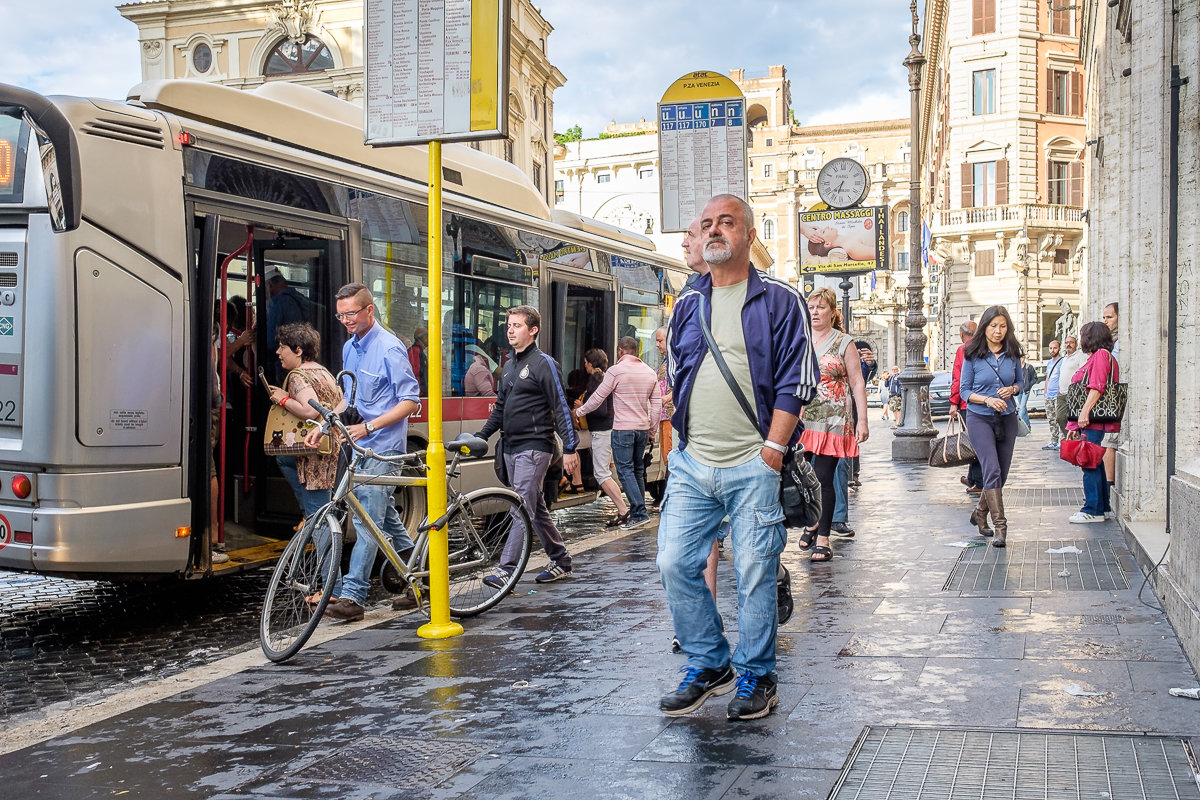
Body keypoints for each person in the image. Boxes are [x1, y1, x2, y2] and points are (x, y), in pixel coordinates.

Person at [656, 193, 818, 722]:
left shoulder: (778, 299)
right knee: (675, 561)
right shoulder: (688, 302)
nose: (714, 231)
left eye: (727, 222)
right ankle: (709, 664)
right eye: (706, 224)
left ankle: (757, 674)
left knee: (754, 569)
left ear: (750, 234)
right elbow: (679, 371)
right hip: (692, 461)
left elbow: (798, 379)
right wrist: (679, 440)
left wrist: (773, 450)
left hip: (755, 460)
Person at [310, 283, 421, 622]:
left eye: (351, 314)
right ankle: (422, 579)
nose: (346, 320)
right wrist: (325, 424)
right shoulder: (350, 348)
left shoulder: (390, 348)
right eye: (341, 315)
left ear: (369, 310)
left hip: (384, 450)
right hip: (359, 448)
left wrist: (370, 427)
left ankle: (354, 597)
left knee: (367, 522)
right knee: (385, 518)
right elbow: (351, 400)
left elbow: (410, 401)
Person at [476, 305, 580, 584]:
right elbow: (500, 408)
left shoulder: (543, 363)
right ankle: (561, 559)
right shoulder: (509, 366)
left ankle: (506, 570)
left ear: (533, 330)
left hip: (535, 447)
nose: (510, 330)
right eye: (509, 325)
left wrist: (571, 447)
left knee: (520, 504)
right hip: (510, 447)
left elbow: (560, 405)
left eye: (517, 325)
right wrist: (481, 436)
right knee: (534, 506)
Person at [797, 288, 869, 562]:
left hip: (833, 419)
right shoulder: (800, 339)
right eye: (811, 307)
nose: (815, 312)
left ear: (832, 312)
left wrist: (862, 420)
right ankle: (812, 521)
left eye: (820, 307)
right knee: (802, 475)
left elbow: (857, 382)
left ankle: (824, 537)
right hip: (803, 418)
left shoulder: (844, 342)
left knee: (823, 478)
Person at [575, 336, 661, 529]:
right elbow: (656, 406)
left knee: (624, 471)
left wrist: (579, 411)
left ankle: (638, 513)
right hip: (642, 429)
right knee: (637, 470)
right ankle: (641, 512)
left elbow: (598, 398)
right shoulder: (650, 372)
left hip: (623, 429)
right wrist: (652, 429)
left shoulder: (615, 371)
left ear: (620, 351)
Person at [960, 306, 1024, 548]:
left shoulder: (1013, 353)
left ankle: (979, 512)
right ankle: (1001, 527)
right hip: (980, 417)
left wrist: (1013, 390)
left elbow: (1020, 382)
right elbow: (965, 391)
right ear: (985, 327)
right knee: (991, 470)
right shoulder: (972, 355)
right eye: (993, 326)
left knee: (1002, 473)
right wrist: (987, 399)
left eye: (1002, 326)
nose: (998, 331)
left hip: (1006, 417)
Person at [266, 322, 343, 522]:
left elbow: (309, 408)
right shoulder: (324, 372)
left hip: (313, 452)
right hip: (330, 447)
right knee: (283, 458)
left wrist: (283, 399)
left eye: (282, 347)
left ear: (298, 350)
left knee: (318, 518)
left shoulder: (297, 377)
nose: (278, 352)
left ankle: (324, 552)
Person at [1065, 321, 1121, 523]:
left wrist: (1084, 414)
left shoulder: (1100, 356)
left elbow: (1096, 386)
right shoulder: (1105, 357)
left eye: (1083, 334)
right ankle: (1103, 507)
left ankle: (1092, 509)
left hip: (1095, 419)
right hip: (1097, 418)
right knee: (1096, 463)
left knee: (1089, 462)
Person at [579, 349, 629, 526]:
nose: (584, 366)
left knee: (601, 474)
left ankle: (623, 510)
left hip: (601, 430)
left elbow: (599, 409)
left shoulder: (596, 378)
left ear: (591, 364)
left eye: (586, 363)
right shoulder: (605, 376)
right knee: (602, 472)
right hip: (605, 429)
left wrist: (582, 406)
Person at [949, 320, 983, 495]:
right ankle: (972, 477)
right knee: (978, 440)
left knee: (973, 442)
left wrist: (954, 402)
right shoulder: (984, 347)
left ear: (962, 334)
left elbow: (958, 378)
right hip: (984, 401)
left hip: (967, 402)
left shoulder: (963, 350)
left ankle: (978, 481)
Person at [265, 269, 307, 379]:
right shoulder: (300, 299)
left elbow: (270, 341)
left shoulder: (278, 302)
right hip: (302, 358)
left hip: (284, 362)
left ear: (269, 285)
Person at [1100, 302, 1120, 489]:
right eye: (1104, 317)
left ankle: (1107, 488)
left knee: (1108, 440)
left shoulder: (1119, 342)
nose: (1105, 321)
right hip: (1108, 397)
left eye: (1110, 317)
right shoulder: (1110, 341)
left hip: (1114, 397)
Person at [1042, 339, 1064, 450]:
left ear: (1059, 348)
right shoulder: (1049, 363)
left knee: (1059, 418)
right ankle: (1053, 440)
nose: (1052, 350)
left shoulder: (1062, 361)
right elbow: (1048, 378)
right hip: (1049, 395)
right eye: (1050, 348)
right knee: (1051, 419)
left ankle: (1061, 441)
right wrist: (1045, 392)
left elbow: (1063, 377)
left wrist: (1060, 391)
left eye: (1055, 348)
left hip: (1057, 395)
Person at [1017, 355, 1036, 430]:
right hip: (1019, 391)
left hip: (1026, 391)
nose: (1020, 359)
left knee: (1021, 409)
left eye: (1021, 358)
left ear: (1024, 358)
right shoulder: (1016, 368)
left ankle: (1019, 427)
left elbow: (1034, 378)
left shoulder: (1029, 367)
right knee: (1023, 408)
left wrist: (1029, 386)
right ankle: (1028, 425)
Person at [408, 327, 429, 393]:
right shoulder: (416, 351)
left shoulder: (418, 350)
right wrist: (419, 391)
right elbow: (416, 372)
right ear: (423, 338)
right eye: (428, 337)